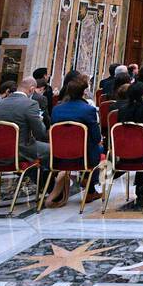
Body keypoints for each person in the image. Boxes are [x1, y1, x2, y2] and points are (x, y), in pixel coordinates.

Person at [44, 74, 103, 207]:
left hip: (58, 157)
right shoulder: (89, 109)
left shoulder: (56, 109)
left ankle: (88, 185)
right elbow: (96, 137)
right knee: (100, 149)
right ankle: (90, 186)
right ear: (83, 92)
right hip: (83, 158)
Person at [0, 77, 50, 188]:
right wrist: (40, 121)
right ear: (32, 89)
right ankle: (48, 186)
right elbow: (40, 133)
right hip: (20, 149)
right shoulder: (30, 104)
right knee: (51, 149)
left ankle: (40, 181)